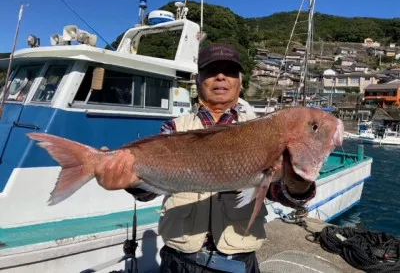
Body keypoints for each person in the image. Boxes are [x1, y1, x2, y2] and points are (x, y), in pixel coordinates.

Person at [95, 43, 316, 273]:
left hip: (238, 259)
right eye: (211, 71)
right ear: (198, 80)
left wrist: (299, 184)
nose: (220, 77)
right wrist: (130, 181)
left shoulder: (265, 130)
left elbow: (277, 192)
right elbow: (150, 191)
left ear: (240, 82)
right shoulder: (175, 128)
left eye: (229, 72)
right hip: (179, 259)